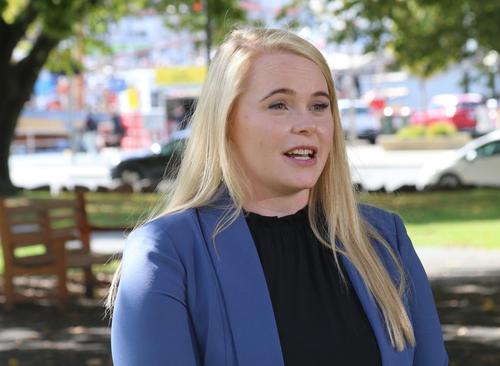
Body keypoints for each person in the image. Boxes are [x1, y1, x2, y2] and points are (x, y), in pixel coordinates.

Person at [107, 28, 448, 366]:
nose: (306, 123)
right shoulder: (167, 254)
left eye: (319, 105)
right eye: (279, 105)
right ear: (226, 122)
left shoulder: (385, 239)